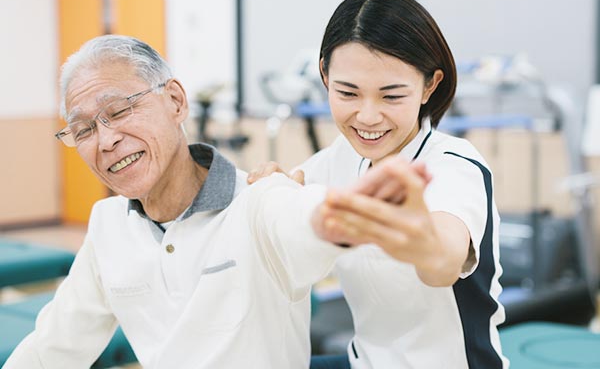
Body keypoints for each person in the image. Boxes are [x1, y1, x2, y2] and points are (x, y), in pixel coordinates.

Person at [3, 34, 415, 369]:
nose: (106, 140)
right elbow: (53, 347)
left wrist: (347, 215)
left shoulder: (259, 201)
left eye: (119, 110)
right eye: (84, 129)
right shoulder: (108, 224)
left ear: (176, 102)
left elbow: (304, 221)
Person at [248, 0, 508, 368]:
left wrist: (420, 240)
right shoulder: (338, 159)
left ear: (429, 85)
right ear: (325, 75)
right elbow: (294, 200)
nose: (367, 117)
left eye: (391, 96)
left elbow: (444, 262)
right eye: (348, 93)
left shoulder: (455, 166)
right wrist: (271, 193)